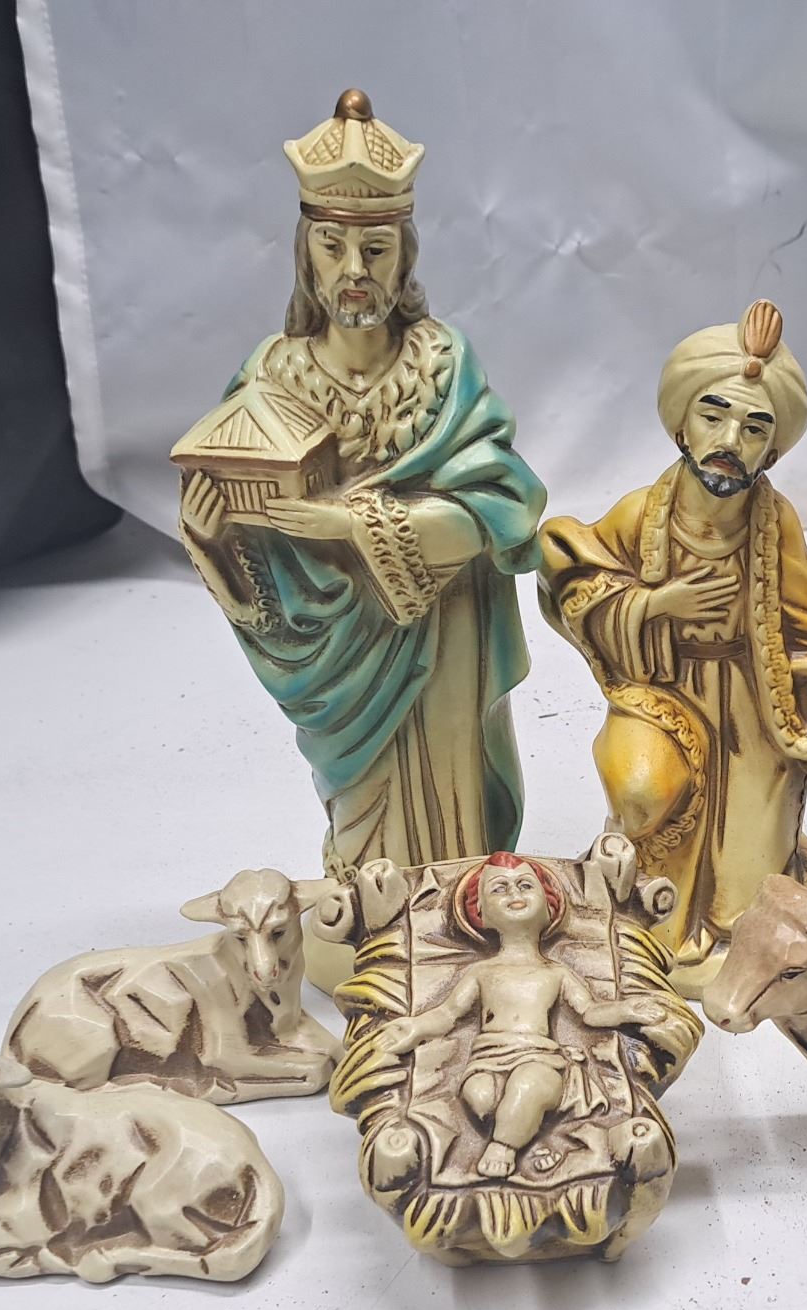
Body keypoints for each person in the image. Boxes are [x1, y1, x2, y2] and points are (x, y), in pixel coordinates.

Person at [175, 91, 544, 897]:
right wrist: (213, 541)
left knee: (450, 806)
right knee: (365, 811)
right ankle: (374, 909)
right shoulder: (273, 376)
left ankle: (459, 907)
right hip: (340, 650)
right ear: (305, 256)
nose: (353, 271)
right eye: (332, 246)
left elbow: (507, 504)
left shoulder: (443, 363)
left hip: (442, 628)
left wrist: (350, 521)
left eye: (375, 250)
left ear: (403, 258)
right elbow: (247, 521)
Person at [538, 299, 807, 996]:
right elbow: (575, 581)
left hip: (754, 708)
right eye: (712, 416)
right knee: (642, 791)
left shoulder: (775, 526)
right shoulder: (640, 514)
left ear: (771, 450)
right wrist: (657, 606)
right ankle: (645, 913)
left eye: (754, 427)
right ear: (680, 425)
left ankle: (743, 934)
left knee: (747, 893)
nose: (729, 440)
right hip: (663, 696)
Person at [375, 854, 662, 1179]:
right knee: (481, 1095)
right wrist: (415, 1027)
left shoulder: (556, 973)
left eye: (525, 885)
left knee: (528, 1085)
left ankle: (504, 1147)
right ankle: (531, 1133)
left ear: (549, 905)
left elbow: (590, 1012)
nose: (514, 893)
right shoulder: (481, 971)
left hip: (541, 1060)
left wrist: (627, 1010)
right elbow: (448, 1014)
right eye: (499, 888)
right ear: (481, 913)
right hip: (487, 1062)